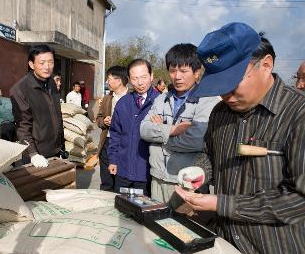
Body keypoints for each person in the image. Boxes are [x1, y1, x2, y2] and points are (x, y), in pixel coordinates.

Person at [175, 22, 305, 253]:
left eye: (233, 83)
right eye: (219, 85)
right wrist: (199, 172)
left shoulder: (298, 113)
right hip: (223, 242)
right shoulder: (220, 112)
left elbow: (299, 199)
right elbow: (209, 153)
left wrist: (222, 204)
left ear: (266, 65)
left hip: (274, 245)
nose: (225, 94)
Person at [140, 44, 219, 207]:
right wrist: (173, 130)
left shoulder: (207, 100)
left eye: (183, 71)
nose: (177, 76)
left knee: (184, 229)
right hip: (157, 177)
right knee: (157, 225)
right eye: (172, 70)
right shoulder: (162, 99)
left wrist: (159, 137)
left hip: (187, 182)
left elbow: (197, 139)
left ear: (197, 72)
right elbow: (143, 129)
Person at [108, 59, 159, 195]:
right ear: (129, 80)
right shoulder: (123, 103)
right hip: (123, 170)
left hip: (147, 172)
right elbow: (115, 134)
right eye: (135, 78)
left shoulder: (161, 103)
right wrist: (113, 160)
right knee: (121, 210)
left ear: (151, 76)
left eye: (144, 77)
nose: (140, 83)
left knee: (143, 212)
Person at [10, 44, 65, 168]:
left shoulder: (51, 82)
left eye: (50, 62)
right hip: (36, 155)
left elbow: (57, 116)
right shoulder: (20, 90)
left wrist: (61, 146)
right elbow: (22, 127)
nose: (47, 67)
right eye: (42, 63)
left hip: (55, 150)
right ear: (31, 64)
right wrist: (33, 154)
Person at [96, 65, 129, 191]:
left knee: (121, 180)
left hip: (124, 144)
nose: (107, 82)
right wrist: (103, 121)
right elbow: (98, 119)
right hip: (107, 142)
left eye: (109, 79)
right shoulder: (107, 98)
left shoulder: (132, 98)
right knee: (106, 179)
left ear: (119, 80)